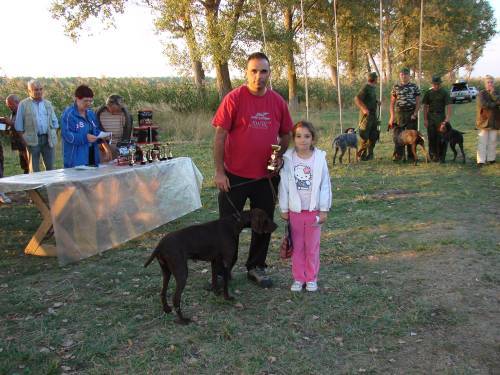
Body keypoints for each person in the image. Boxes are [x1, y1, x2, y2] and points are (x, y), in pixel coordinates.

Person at [212, 52, 293, 288]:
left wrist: (279, 157)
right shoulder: (234, 98)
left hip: (265, 177)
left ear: (269, 73)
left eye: (264, 71)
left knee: (263, 223)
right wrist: (219, 172)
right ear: (247, 72)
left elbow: (286, 133)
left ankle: (256, 267)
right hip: (234, 176)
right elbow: (219, 137)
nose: (259, 76)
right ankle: (222, 271)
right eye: (254, 71)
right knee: (228, 226)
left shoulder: (278, 102)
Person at [278, 121, 332, 292]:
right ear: (293, 139)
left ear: (313, 138)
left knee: (312, 246)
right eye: (299, 136)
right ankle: (298, 278)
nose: (303, 140)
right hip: (295, 212)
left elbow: (325, 185)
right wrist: (284, 209)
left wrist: (323, 209)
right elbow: (284, 186)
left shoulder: (319, 159)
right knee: (298, 247)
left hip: (313, 211)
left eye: (307, 136)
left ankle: (311, 278)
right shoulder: (288, 158)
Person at [14, 80, 59, 172]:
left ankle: (50, 186)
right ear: (29, 91)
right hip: (32, 140)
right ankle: (36, 187)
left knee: (51, 169)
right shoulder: (23, 104)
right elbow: (18, 126)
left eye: (40, 89)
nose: (39, 92)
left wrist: (53, 133)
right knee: (34, 169)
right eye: (35, 89)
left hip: (48, 139)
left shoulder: (48, 104)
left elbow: (55, 122)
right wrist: (25, 141)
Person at [61, 85, 101, 168]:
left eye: (90, 101)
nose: (88, 104)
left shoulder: (90, 114)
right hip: (76, 160)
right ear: (77, 99)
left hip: (92, 156)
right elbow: (68, 136)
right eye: (85, 101)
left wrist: (102, 136)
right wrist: (85, 137)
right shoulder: (69, 115)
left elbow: (95, 130)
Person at [389, 67, 421, 161]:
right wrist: (392, 116)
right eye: (401, 74)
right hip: (400, 113)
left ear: (409, 75)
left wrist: (415, 113)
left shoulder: (414, 87)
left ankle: (412, 156)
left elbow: (418, 101)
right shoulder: (396, 87)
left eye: (405, 74)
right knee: (399, 135)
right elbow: (392, 102)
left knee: (411, 135)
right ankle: (399, 156)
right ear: (400, 75)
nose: (403, 76)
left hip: (411, 113)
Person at [422, 75, 452, 161]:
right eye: (435, 84)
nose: (436, 86)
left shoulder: (444, 93)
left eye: (438, 84)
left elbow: (449, 107)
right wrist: (425, 119)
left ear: (440, 84)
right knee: (431, 137)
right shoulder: (428, 93)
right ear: (432, 84)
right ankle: (433, 155)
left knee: (441, 138)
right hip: (430, 117)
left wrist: (446, 121)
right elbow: (425, 107)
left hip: (441, 117)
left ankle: (442, 156)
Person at [95, 94, 133, 161]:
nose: (115, 112)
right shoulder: (99, 113)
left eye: (118, 110)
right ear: (108, 105)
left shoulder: (126, 115)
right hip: (103, 146)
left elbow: (128, 134)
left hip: (119, 146)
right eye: (112, 109)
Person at [354, 72, 380, 160]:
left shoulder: (372, 88)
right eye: (377, 78)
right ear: (374, 79)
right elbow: (357, 99)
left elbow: (369, 98)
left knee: (373, 134)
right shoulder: (366, 87)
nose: (377, 79)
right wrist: (364, 109)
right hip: (366, 116)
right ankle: (362, 155)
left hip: (373, 115)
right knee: (364, 135)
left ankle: (370, 154)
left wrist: (376, 101)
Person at [476, 75, 499, 167]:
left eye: (491, 82)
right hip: (483, 121)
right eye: (488, 82)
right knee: (482, 141)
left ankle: (491, 159)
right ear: (485, 84)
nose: (490, 84)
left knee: (493, 141)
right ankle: (481, 160)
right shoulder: (481, 94)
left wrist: (493, 94)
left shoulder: (496, 93)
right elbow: (484, 105)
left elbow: (498, 100)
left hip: (494, 120)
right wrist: (495, 103)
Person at [3, 95, 30, 174]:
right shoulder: (13, 113)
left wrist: (10, 123)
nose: (9, 106)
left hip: (25, 143)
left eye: (10, 104)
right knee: (24, 165)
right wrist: (5, 125)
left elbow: (25, 126)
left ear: (17, 102)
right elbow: (11, 129)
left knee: (29, 164)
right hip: (19, 145)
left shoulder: (25, 112)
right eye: (8, 105)